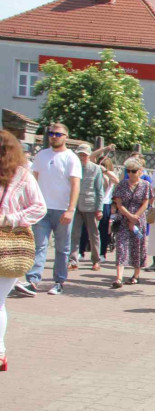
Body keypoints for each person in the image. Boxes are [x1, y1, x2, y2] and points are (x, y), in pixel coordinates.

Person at [0, 130, 46, 370]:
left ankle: (0, 351)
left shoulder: (23, 176)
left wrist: (11, 218)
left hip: (9, 246)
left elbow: (39, 208)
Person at [21, 123, 80, 296]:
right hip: (42, 209)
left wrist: (70, 209)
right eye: (52, 133)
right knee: (39, 245)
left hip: (62, 209)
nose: (54, 136)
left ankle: (59, 281)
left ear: (65, 137)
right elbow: (34, 180)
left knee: (62, 248)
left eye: (58, 134)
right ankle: (32, 281)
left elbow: (75, 185)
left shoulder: (71, 158)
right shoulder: (41, 155)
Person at [110, 157, 152, 288]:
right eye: (128, 170)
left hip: (139, 220)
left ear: (140, 171)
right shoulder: (122, 184)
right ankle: (119, 277)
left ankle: (136, 275)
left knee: (138, 246)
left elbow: (146, 203)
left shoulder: (146, 185)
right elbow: (118, 203)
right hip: (123, 218)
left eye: (133, 171)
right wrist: (129, 216)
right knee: (121, 246)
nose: (130, 173)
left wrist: (135, 217)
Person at [69, 144, 105, 272]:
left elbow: (100, 190)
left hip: (91, 205)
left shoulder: (96, 169)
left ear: (89, 155)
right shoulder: (74, 167)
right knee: (74, 234)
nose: (82, 157)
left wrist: (99, 208)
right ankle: (73, 261)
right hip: (76, 204)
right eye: (80, 154)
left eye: (84, 154)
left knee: (94, 234)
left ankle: (96, 261)